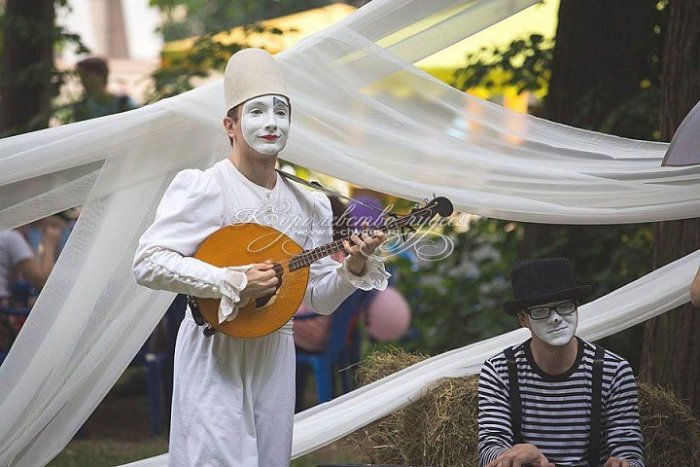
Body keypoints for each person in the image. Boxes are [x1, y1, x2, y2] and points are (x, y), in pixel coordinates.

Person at [132, 48, 389, 466]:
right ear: (230, 126)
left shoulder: (309, 202)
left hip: (275, 352)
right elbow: (148, 262)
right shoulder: (205, 187)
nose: (271, 122)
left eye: (281, 112)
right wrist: (231, 281)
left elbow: (319, 297)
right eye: (256, 112)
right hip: (214, 349)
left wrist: (353, 267)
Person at [478, 258, 645, 467]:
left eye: (565, 306)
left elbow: (631, 454)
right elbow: (489, 450)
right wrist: (522, 455)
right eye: (540, 311)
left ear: (576, 308)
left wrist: (624, 464)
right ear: (523, 319)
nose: (556, 318)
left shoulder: (613, 371)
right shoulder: (499, 370)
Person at [65, 57, 138, 122]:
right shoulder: (82, 108)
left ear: (101, 75)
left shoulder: (124, 104)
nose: (82, 81)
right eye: (81, 77)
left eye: (86, 75)